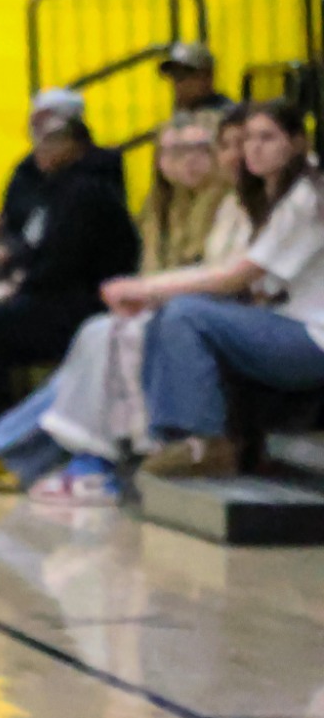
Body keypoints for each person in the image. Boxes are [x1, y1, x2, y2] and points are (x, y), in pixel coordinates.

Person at [0, 112, 245, 501]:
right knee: (92, 336)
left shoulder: (227, 204)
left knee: (98, 337)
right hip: (153, 308)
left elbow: (218, 277)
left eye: (200, 148)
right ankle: (5, 445)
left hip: (182, 314)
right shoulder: (157, 209)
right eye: (172, 150)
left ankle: (16, 449)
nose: (187, 160)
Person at [111, 100, 324, 476]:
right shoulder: (272, 196)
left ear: (296, 142)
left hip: (311, 338)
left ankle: (207, 441)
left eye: (268, 138)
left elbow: (235, 276)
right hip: (284, 327)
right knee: (169, 315)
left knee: (186, 314)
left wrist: (145, 288)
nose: (253, 148)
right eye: (249, 139)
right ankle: (170, 439)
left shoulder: (308, 195)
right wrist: (153, 292)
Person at [0, 112, 141, 426]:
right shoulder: (55, 187)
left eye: (53, 141)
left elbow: (63, 262)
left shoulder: (85, 191)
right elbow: (39, 248)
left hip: (85, 303)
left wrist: (20, 284)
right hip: (59, 291)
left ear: (78, 145)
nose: (42, 150)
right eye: (38, 142)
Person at [160, 42, 236, 120]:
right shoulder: (182, 113)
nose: (178, 83)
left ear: (206, 76)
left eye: (184, 74)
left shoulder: (226, 114)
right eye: (174, 75)